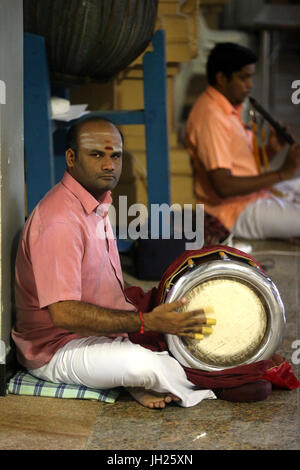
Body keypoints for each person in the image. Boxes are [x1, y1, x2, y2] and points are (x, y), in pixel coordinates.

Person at [12, 117, 217, 409]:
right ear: (71, 158)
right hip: (57, 347)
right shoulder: (59, 221)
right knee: (147, 365)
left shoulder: (97, 203)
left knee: (188, 318)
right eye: (97, 155)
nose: (109, 165)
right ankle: (140, 378)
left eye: (115, 156)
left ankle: (130, 376)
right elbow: (64, 314)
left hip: (101, 332)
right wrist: (145, 322)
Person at [185, 42, 300, 240]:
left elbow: (239, 166)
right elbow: (224, 187)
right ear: (222, 78)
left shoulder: (226, 108)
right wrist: (282, 173)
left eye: (251, 77)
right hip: (234, 211)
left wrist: (271, 149)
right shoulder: (211, 116)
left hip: (255, 195)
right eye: (243, 78)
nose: (250, 85)